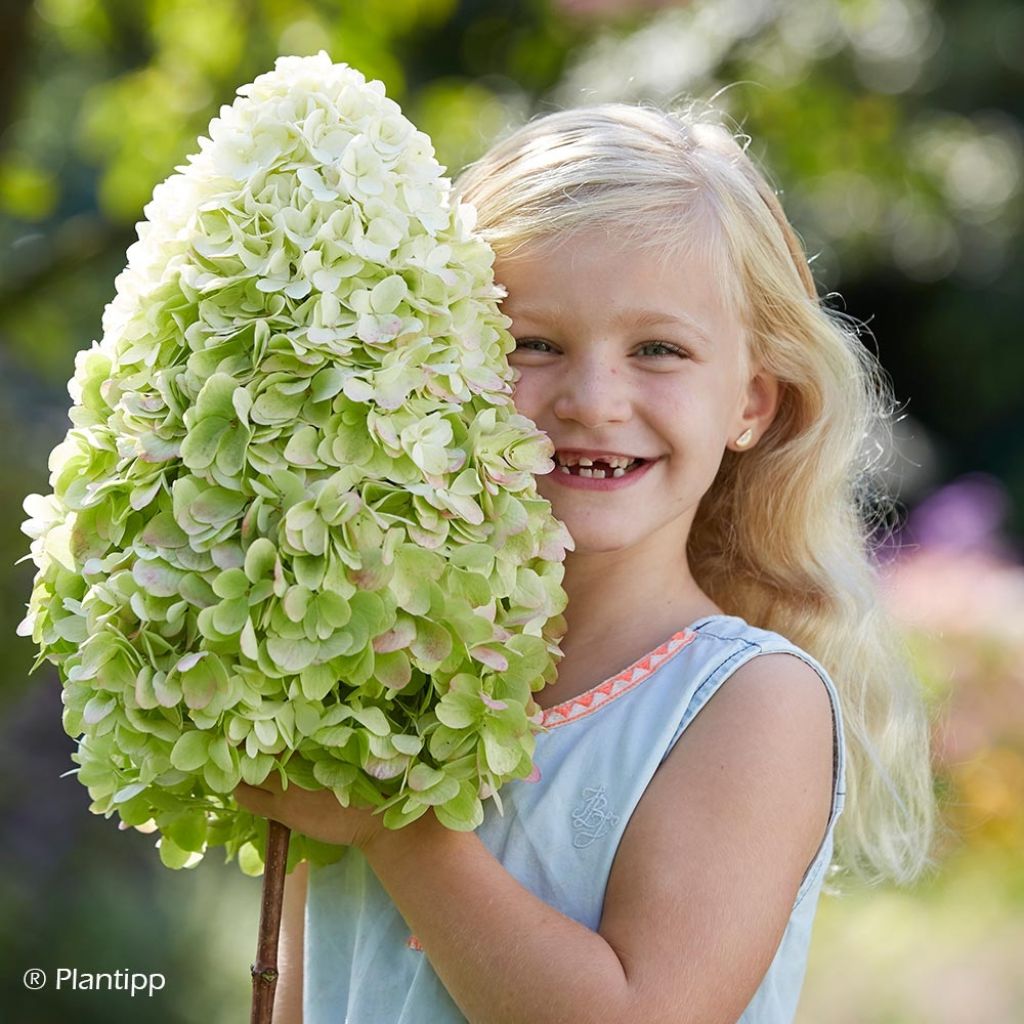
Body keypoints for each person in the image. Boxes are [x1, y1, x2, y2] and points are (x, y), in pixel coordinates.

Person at [234, 100, 938, 1024]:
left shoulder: (748, 703)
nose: (594, 399)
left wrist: (391, 821)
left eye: (658, 349)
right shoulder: (376, 670)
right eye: (533, 344)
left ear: (751, 405)